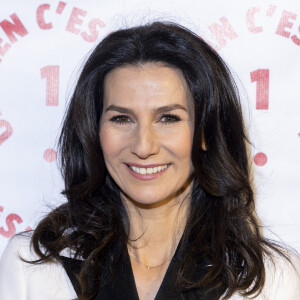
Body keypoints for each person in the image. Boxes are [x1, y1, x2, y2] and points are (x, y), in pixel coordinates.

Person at [0, 21, 300, 300]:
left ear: (206, 131)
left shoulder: (268, 279)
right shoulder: (31, 264)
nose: (143, 146)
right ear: (94, 131)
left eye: (168, 118)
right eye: (121, 119)